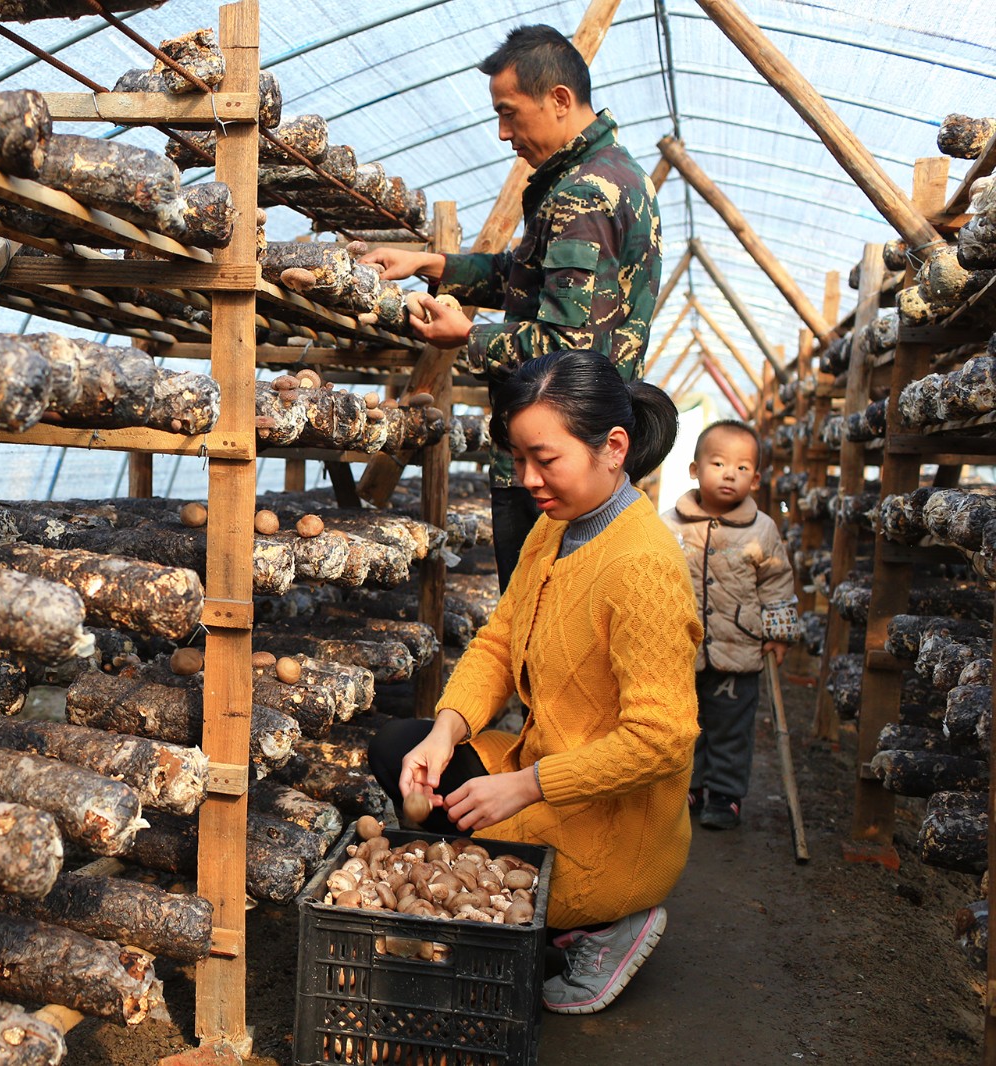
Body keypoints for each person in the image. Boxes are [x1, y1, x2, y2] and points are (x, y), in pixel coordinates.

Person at [367, 351, 701, 1016]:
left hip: (608, 818)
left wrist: (524, 787)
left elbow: (662, 740)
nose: (528, 480)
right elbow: (496, 641)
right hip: (541, 768)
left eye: (544, 459)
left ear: (613, 447)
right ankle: (528, 902)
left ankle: (606, 924)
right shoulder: (555, 529)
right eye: (519, 459)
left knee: (460, 833)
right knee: (402, 752)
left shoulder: (641, 567)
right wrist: (446, 730)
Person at [359, 24, 662, 590]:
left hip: (557, 452)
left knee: (537, 625)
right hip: (584, 454)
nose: (503, 133)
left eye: (509, 112)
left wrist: (466, 337)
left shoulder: (584, 193)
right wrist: (430, 264)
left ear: (560, 100)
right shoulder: (609, 176)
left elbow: (567, 345)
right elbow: (525, 278)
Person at [660, 419, 798, 831]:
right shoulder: (670, 525)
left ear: (755, 479)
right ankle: (689, 785)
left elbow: (777, 582)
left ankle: (725, 793)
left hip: (740, 648)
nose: (729, 474)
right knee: (685, 722)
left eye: (741, 468)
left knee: (731, 726)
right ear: (694, 469)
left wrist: (777, 634)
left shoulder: (764, 530)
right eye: (718, 463)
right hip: (681, 650)